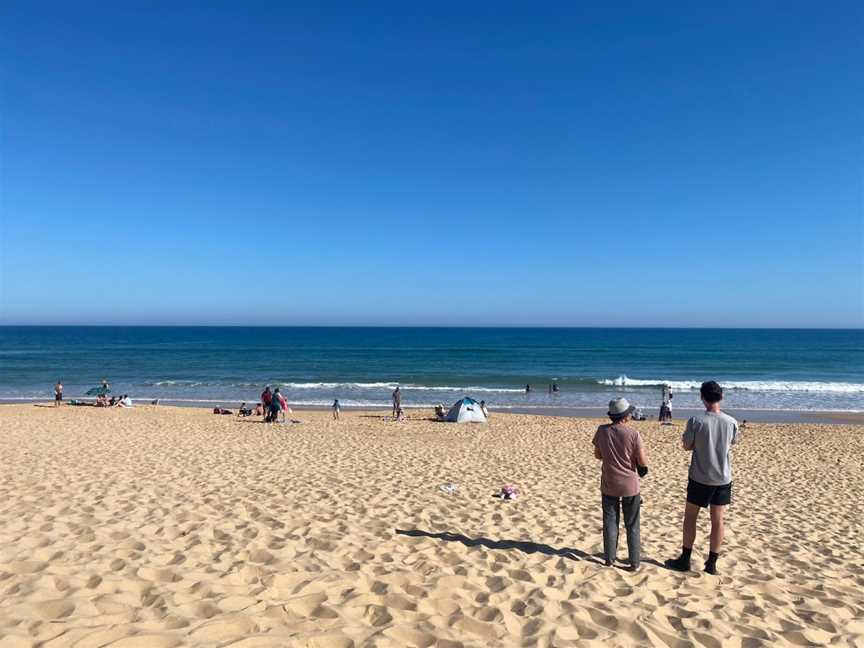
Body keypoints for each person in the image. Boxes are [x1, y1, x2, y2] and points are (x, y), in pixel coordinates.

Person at [665, 381, 739, 575]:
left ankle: (685, 558)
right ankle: (711, 563)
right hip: (722, 476)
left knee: (690, 516)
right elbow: (733, 442)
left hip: (700, 475)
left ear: (702, 398)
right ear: (721, 397)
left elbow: (687, 446)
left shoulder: (696, 420)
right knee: (718, 520)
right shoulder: (731, 422)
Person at [592, 397, 648, 571]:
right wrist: (641, 468)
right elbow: (643, 462)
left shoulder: (602, 431)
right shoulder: (633, 434)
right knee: (632, 524)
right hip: (629, 485)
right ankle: (634, 562)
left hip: (609, 482)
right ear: (624, 416)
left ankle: (609, 559)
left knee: (610, 521)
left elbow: (598, 455)